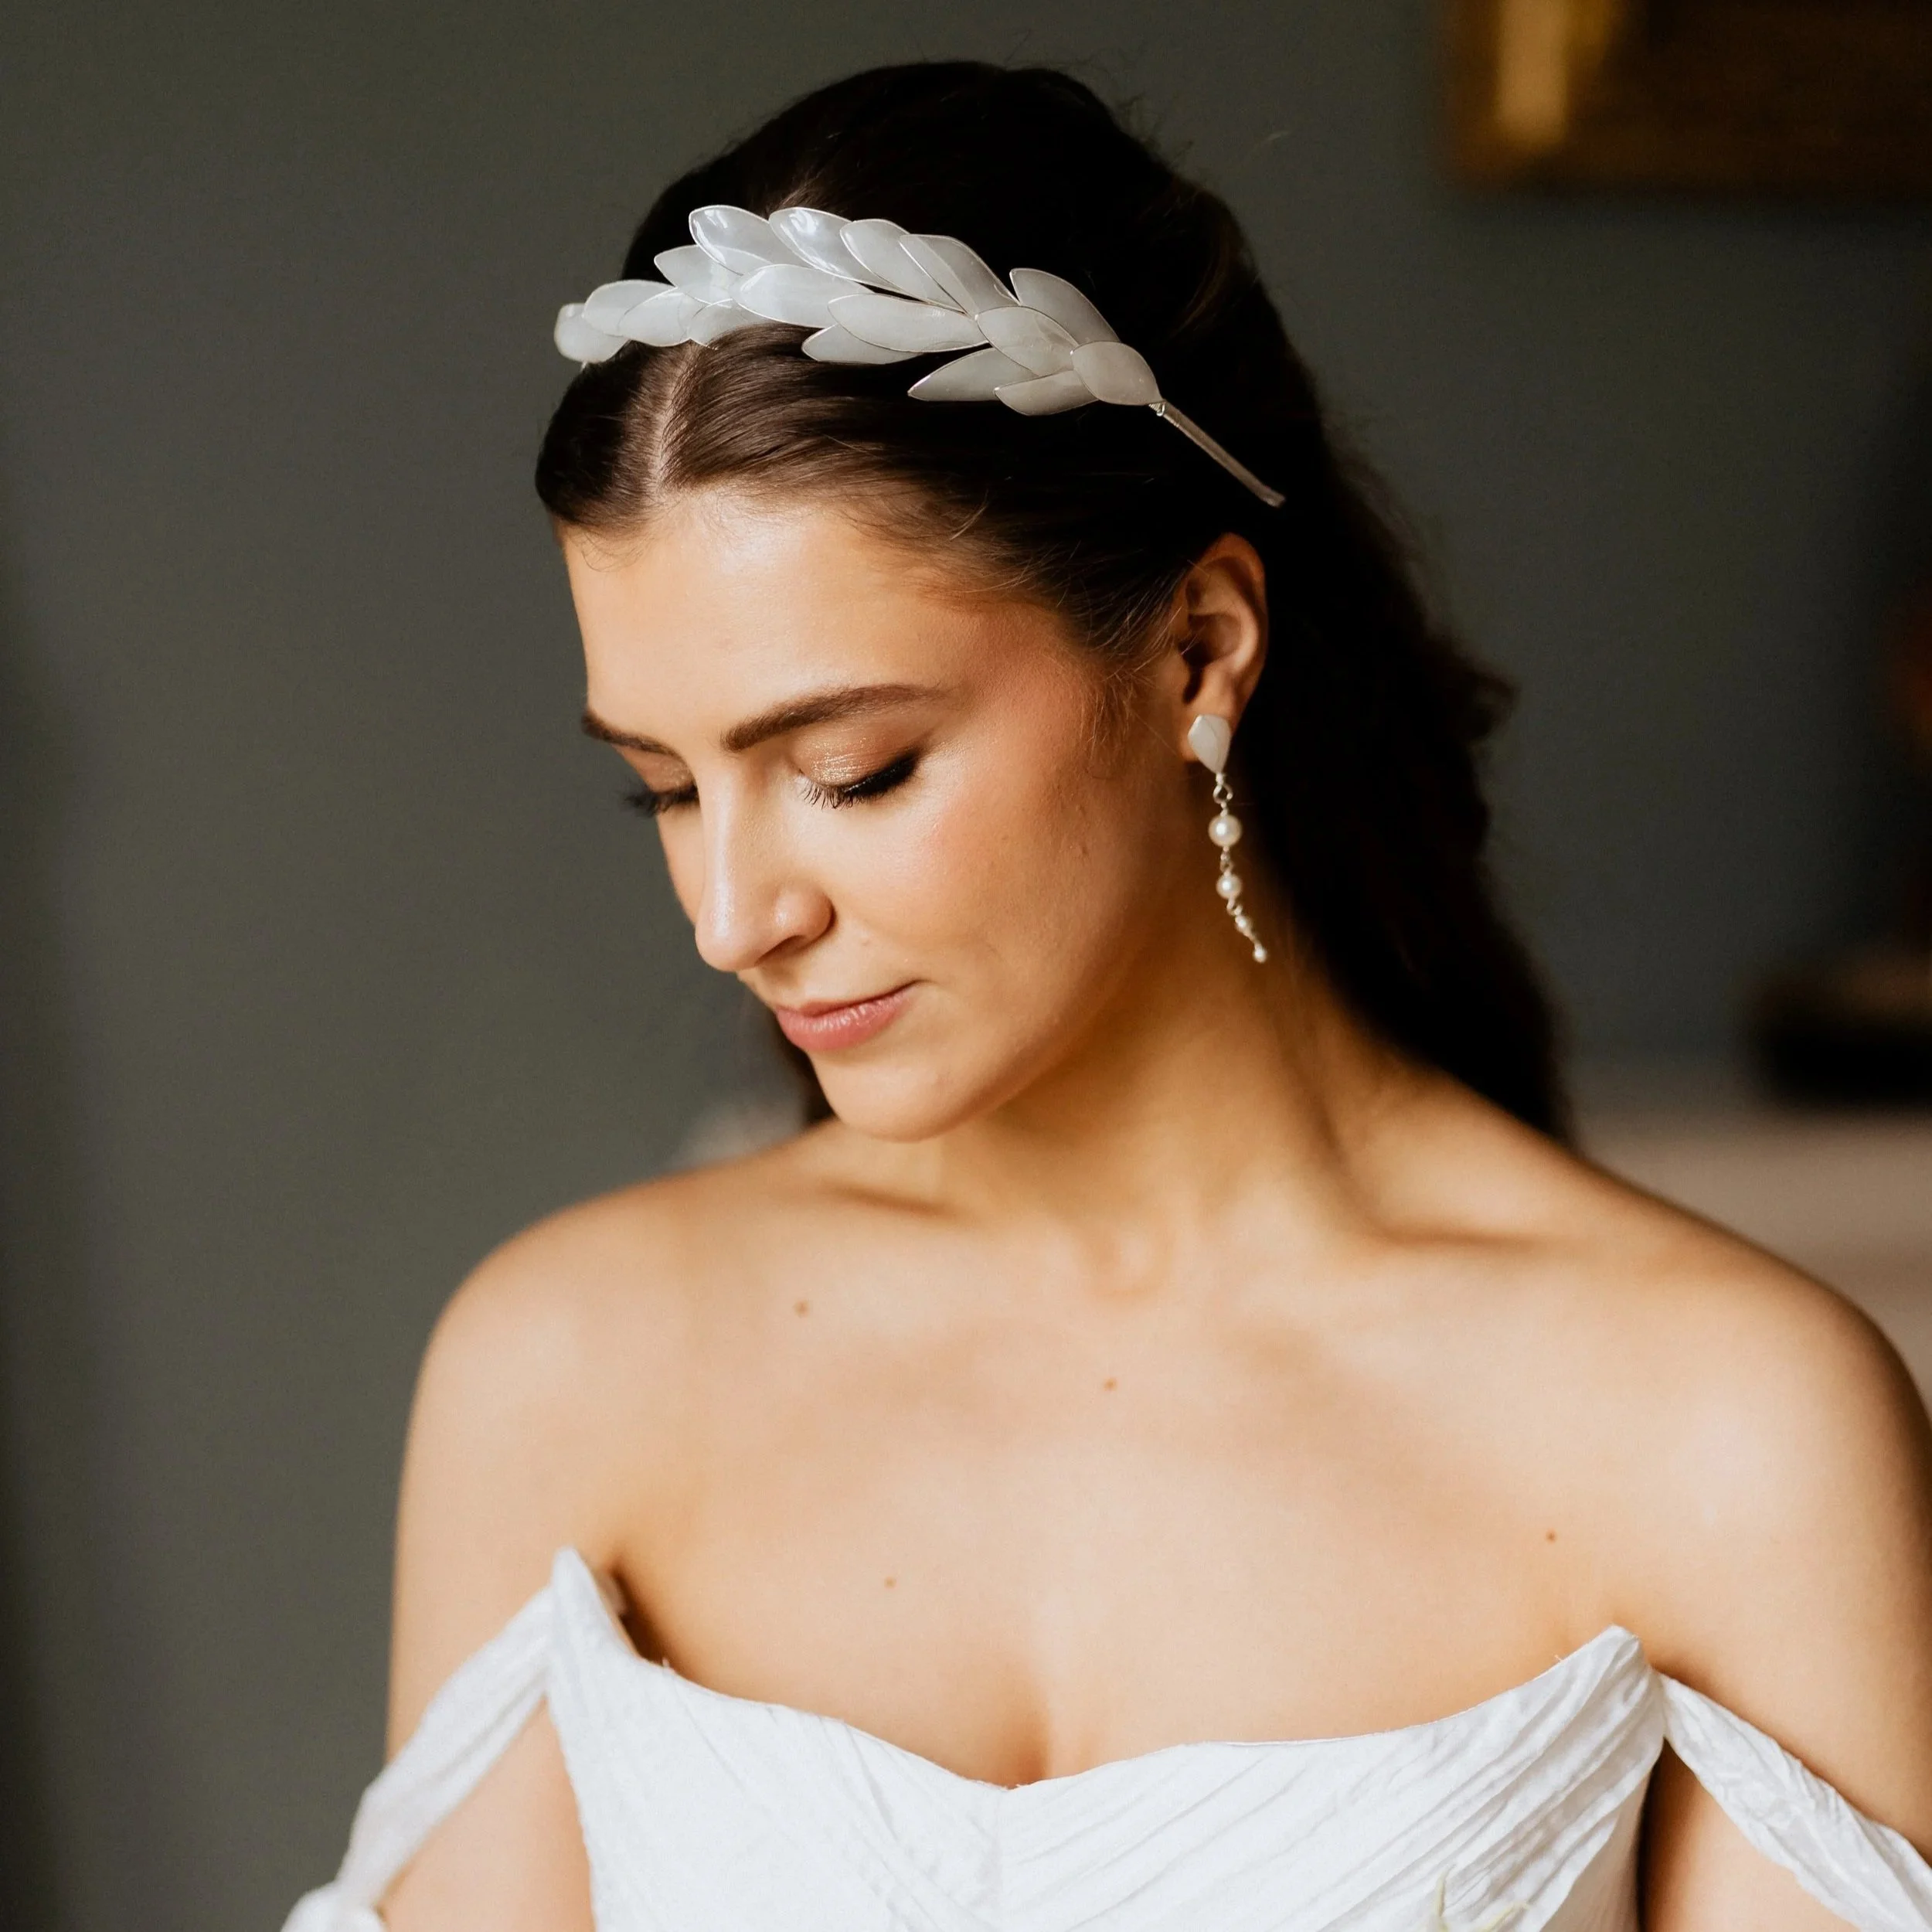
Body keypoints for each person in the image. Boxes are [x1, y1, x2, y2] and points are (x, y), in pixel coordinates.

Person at [285, 60, 1932, 1932]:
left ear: (1195, 652)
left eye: (853, 767)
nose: (732, 912)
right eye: (663, 786)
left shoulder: (1718, 1426)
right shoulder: (565, 1366)